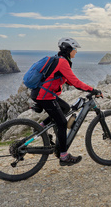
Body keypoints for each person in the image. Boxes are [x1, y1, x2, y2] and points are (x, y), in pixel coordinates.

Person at [31, 37, 102, 166]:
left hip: (44, 94)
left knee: (65, 108)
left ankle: (40, 127)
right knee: (62, 123)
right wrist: (92, 90)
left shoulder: (60, 61)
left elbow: (69, 81)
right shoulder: (62, 62)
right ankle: (63, 156)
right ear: (68, 49)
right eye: (75, 49)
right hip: (45, 95)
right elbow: (75, 82)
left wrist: (85, 88)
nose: (76, 51)